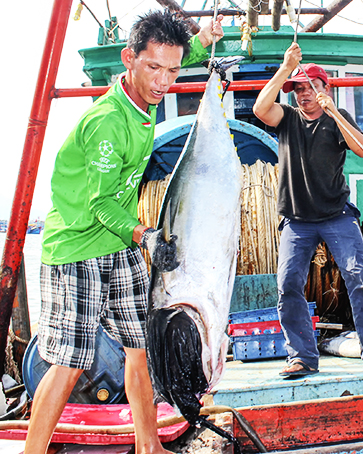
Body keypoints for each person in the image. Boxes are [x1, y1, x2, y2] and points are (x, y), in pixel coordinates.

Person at [24, 10, 223, 454]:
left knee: (139, 348)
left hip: (120, 245)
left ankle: (149, 447)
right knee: (69, 363)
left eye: (172, 70)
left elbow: (177, 53)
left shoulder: (146, 95)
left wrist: (203, 40)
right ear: (128, 58)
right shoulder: (108, 123)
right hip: (77, 247)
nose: (163, 81)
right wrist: (145, 235)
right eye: (153, 68)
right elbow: (100, 204)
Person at [252, 42, 363, 378]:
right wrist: (285, 68)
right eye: (299, 89)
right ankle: (302, 357)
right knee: (289, 285)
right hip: (297, 221)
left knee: (361, 280)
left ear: (325, 88)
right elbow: (262, 109)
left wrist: (333, 111)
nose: (304, 95)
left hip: (337, 216)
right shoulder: (287, 117)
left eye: (311, 87)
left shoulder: (338, 118)